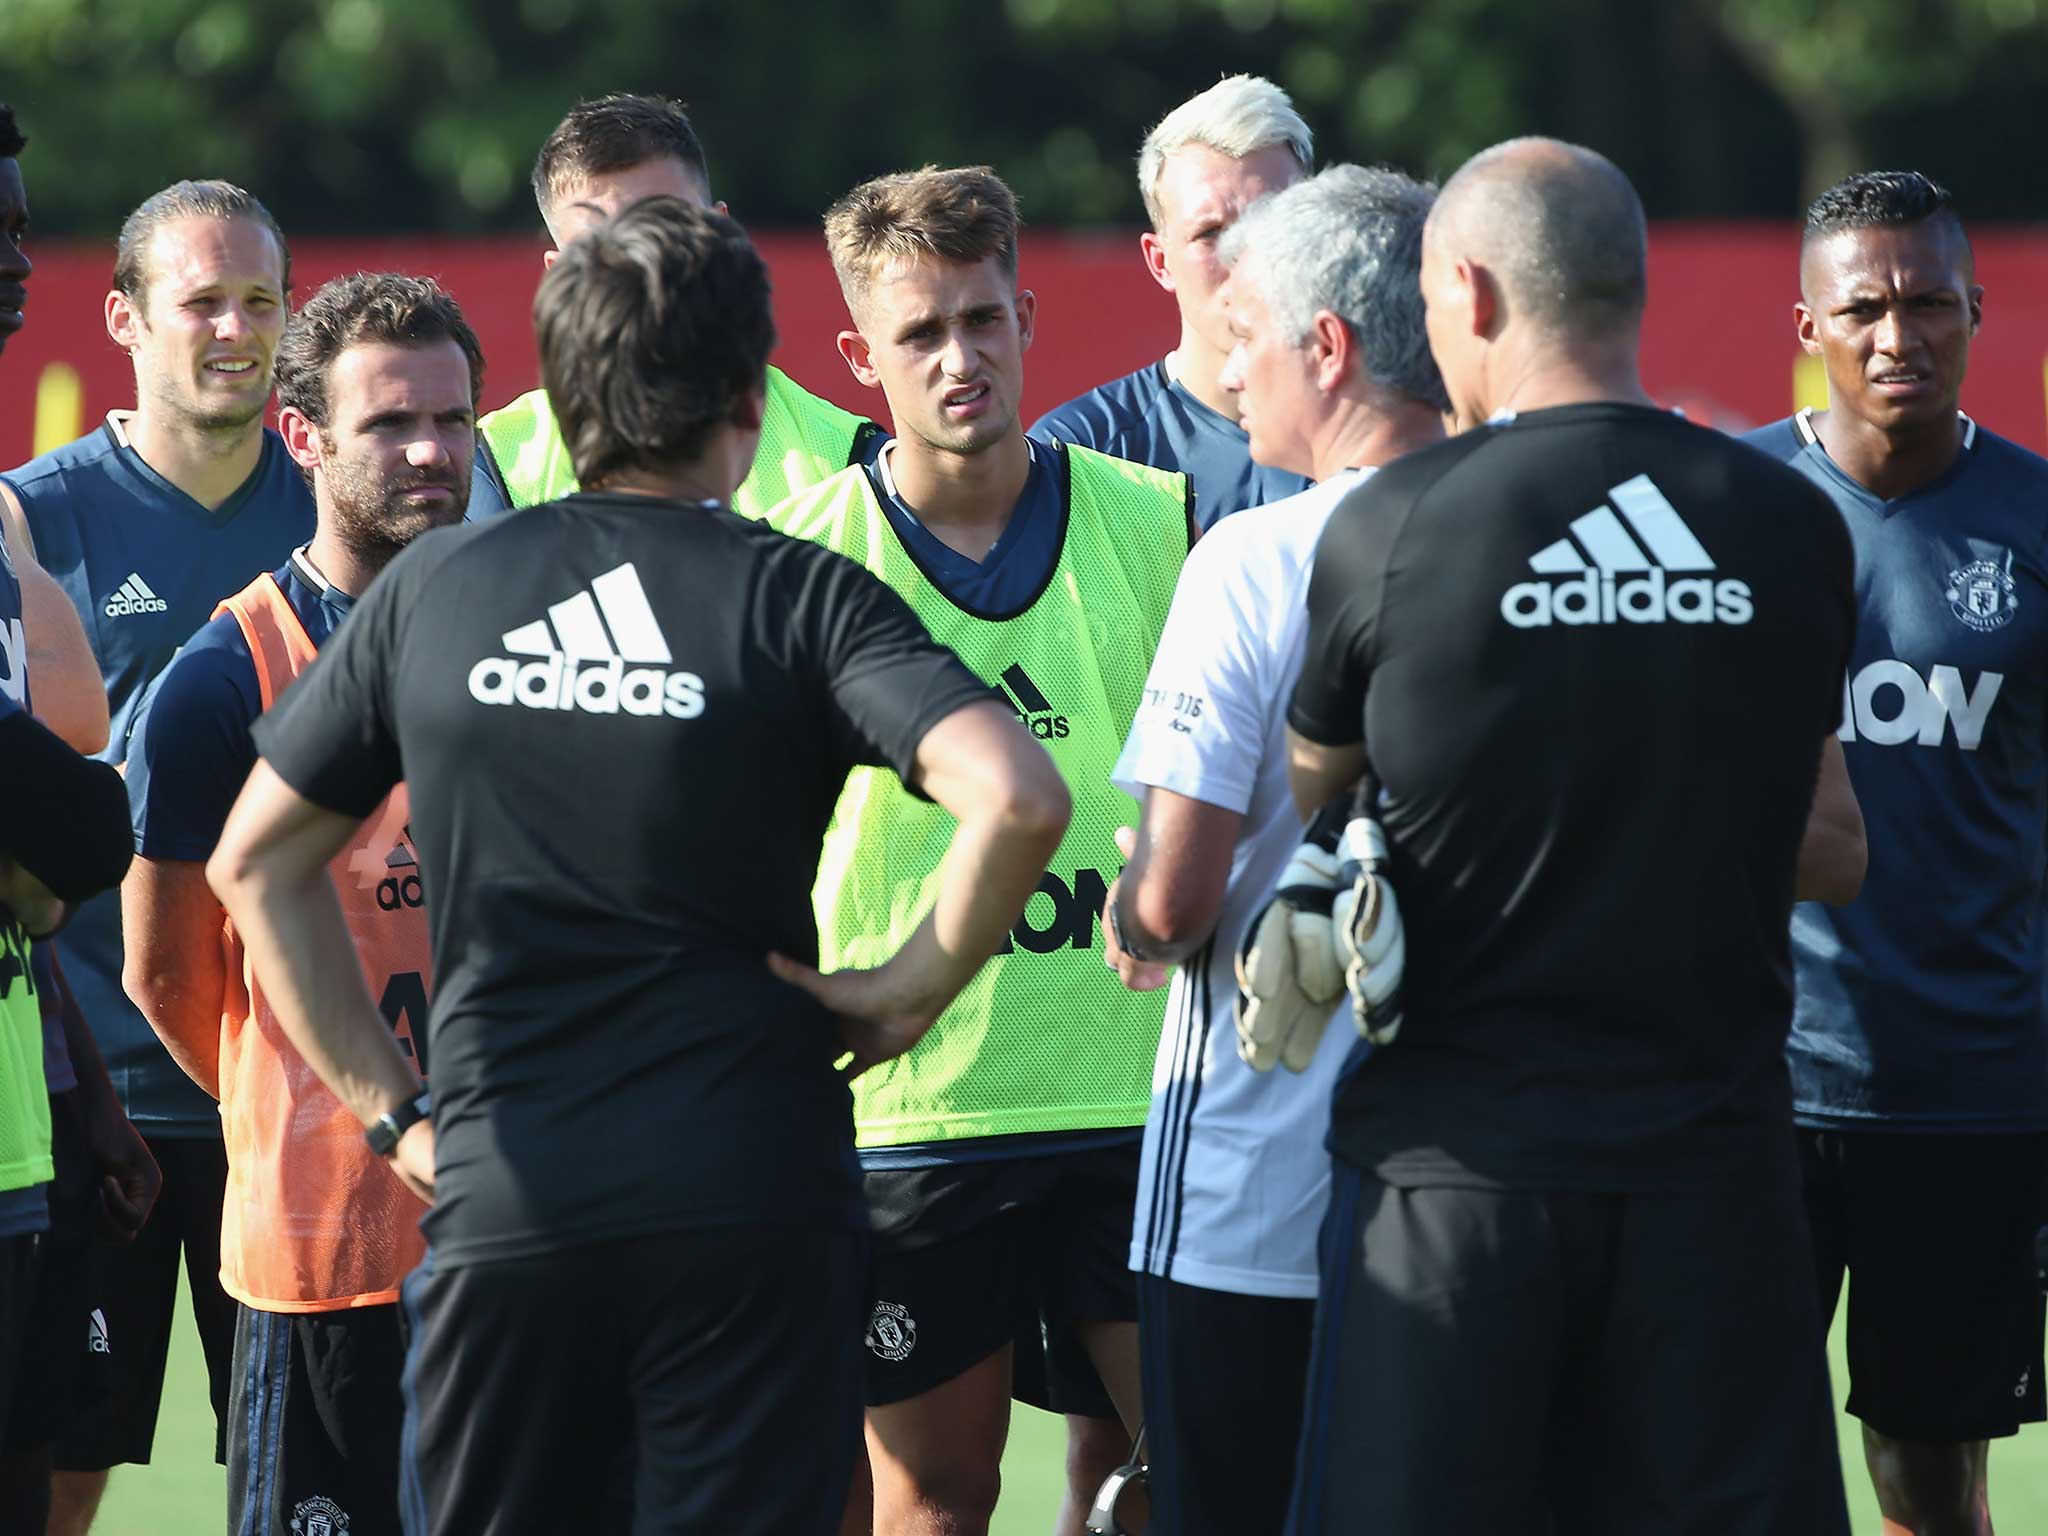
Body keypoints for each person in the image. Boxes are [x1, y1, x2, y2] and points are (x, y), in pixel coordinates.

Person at [204, 195, 1067, 1536]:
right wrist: (909, 988)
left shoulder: (440, 589)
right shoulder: (800, 591)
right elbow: (1016, 793)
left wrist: (396, 1119)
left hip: (512, 1197)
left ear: (558, 390)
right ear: (744, 398)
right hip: (754, 1196)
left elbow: (254, 864)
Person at [1280, 137, 1860, 1534]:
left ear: (1467, 293)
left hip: (1452, 1195)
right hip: (1711, 1186)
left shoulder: (1391, 527)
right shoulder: (1785, 524)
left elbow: (1322, 792)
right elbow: (1835, 848)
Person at [761, 165, 1188, 1536]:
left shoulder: (1155, 518)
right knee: (938, 1502)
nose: (961, 359)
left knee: (1193, 1483)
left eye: (984, 320)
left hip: (1135, 1099)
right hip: (915, 1122)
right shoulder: (798, 558)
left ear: (1027, 318)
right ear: (857, 357)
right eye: (921, 333)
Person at [1096, 162, 1445, 1536]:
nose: (1223, 369)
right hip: (1468, 1190)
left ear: (1330, 347)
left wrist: (1132, 906)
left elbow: (1175, 902)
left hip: (1258, 1195)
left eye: (1241, 331)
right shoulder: (1533, 536)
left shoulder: (1252, 557)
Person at [121, 271, 481, 1536]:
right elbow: (168, 978)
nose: (431, 450)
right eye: (388, 424)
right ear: (305, 438)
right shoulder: (223, 682)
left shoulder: (533, 640)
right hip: (332, 1255)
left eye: (451, 418)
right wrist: (313, 1100)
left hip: (527, 1246)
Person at [0, 177, 311, 1531]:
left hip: (300, 1089)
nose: (236, 331)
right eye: (203, 302)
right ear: (125, 317)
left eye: (261, 302)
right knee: (59, 1474)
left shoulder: (340, 506)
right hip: (98, 1097)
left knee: (311, 1481)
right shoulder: (31, 520)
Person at [1744, 171, 2048, 1536]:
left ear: (1980, 312)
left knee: (1930, 1477)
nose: (1896, 335)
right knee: (1720, 1459)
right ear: (1804, 318)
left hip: (1971, 1089)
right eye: (1862, 305)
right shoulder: (1723, 507)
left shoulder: (2037, 523)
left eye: (1928, 304)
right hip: (1751, 1084)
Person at [468, 92, 883, 520]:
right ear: (558, 276)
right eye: (604, 251)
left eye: (668, 231)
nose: (645, 271)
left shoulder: (852, 460)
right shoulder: (493, 461)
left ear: (724, 234)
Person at [1031, 75, 1314, 529]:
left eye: (1270, 221)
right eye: (1210, 234)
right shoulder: (1078, 454)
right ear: (1159, 262)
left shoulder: (1381, 428)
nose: (1244, 258)